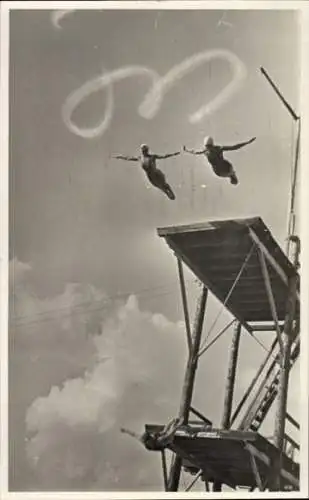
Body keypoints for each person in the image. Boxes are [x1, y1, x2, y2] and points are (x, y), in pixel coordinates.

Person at [112, 144, 180, 200]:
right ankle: (168, 193)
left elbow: (164, 156)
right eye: (143, 150)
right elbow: (128, 158)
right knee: (161, 187)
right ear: (142, 151)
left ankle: (170, 192)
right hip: (151, 177)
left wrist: (173, 154)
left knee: (165, 185)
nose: (144, 151)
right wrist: (120, 157)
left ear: (147, 150)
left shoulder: (152, 156)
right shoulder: (140, 158)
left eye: (145, 150)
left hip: (156, 173)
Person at [183, 136, 256, 185]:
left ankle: (231, 175)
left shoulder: (209, 150)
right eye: (208, 147)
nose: (209, 149)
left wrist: (247, 143)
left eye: (209, 147)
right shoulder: (213, 149)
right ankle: (231, 175)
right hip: (222, 170)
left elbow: (234, 147)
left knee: (227, 168)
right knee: (227, 168)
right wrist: (187, 150)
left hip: (221, 171)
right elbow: (234, 147)